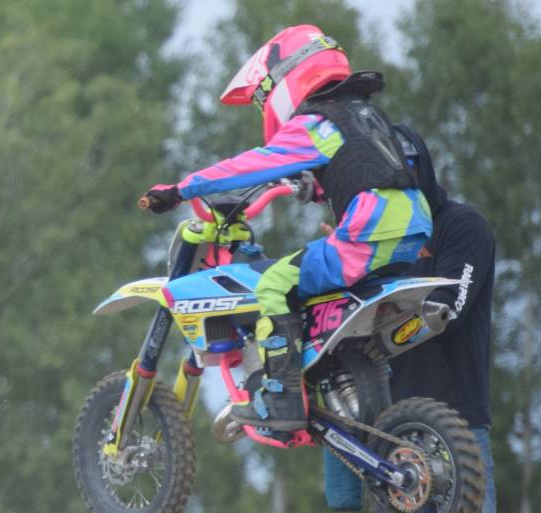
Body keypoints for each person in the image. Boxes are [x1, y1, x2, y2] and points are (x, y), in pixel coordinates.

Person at [143, 25, 431, 432]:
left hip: (370, 232)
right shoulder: (364, 114)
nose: (265, 105)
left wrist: (180, 189)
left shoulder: (316, 122)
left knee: (274, 283)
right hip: (414, 226)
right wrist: (318, 187)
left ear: (288, 78)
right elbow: (370, 166)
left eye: (264, 95)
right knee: (318, 282)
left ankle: (281, 398)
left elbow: (251, 165)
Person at [375, 125, 524, 513]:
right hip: (388, 431)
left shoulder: (462, 226)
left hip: (456, 421)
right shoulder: (364, 243)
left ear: (423, 166)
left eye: (405, 168)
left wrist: (373, 331)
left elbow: (445, 310)